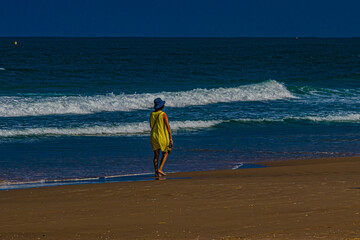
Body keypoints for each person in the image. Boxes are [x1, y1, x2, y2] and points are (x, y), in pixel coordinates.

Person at [150, 98, 173, 177]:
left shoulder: (151, 114)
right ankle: (160, 169)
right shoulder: (163, 114)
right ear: (162, 106)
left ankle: (156, 172)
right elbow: (168, 127)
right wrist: (170, 138)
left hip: (153, 136)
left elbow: (151, 126)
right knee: (165, 153)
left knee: (156, 155)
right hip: (162, 136)